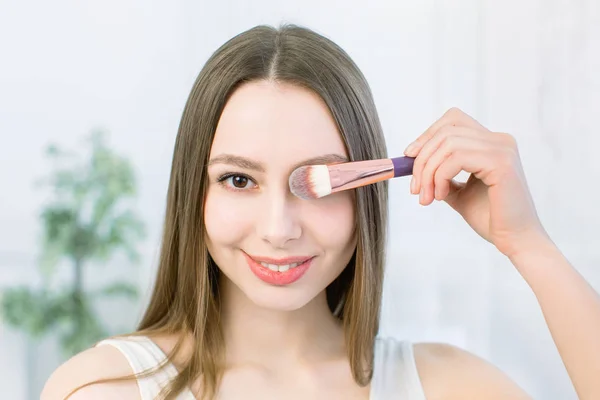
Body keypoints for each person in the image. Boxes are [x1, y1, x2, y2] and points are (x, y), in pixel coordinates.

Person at [41, 24, 600, 400]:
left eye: (319, 184)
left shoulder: (447, 386)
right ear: (195, 193)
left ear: (367, 197)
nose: (278, 229)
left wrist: (529, 246)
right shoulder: (102, 390)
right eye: (239, 180)